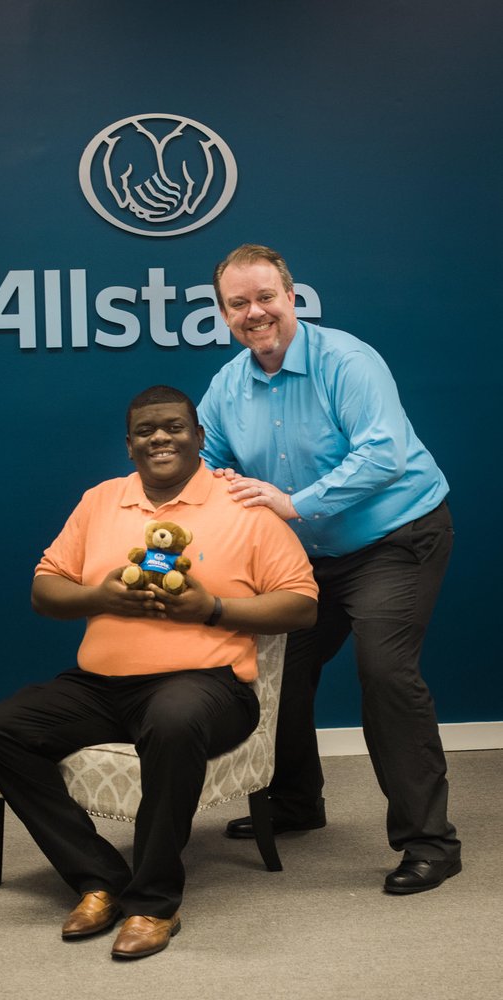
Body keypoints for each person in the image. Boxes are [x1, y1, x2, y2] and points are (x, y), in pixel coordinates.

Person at [0, 385, 318, 960]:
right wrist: (100, 597)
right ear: (129, 444)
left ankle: (154, 903)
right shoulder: (100, 500)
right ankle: (100, 878)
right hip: (101, 685)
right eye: (145, 430)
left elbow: (302, 605)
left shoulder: (244, 507)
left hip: (207, 685)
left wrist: (212, 609)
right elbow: (44, 589)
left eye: (175, 427)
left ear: (199, 437)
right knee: (0, 728)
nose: (160, 437)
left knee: (173, 718)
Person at [198, 244, 461, 895]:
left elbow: (384, 454)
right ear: (224, 313)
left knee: (385, 670)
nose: (254, 313)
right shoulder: (228, 386)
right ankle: (295, 802)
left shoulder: (346, 361)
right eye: (238, 303)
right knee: (275, 664)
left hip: (394, 538)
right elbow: (202, 463)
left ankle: (430, 842)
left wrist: (292, 503)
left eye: (266, 297)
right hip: (310, 557)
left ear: (292, 298)